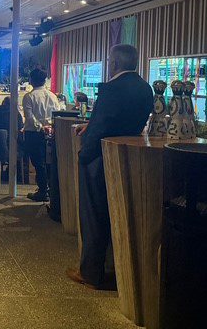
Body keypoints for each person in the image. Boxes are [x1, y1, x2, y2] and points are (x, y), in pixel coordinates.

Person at [67, 44, 153, 289]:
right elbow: (121, 121)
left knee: (93, 216)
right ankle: (115, 269)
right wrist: (91, 125)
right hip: (127, 159)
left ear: (114, 63)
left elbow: (102, 126)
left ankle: (90, 273)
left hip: (99, 160)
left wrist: (84, 155)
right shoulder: (145, 88)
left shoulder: (111, 89)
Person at [22, 68, 61, 202]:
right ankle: (49, 190)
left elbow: (29, 117)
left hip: (34, 134)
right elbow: (57, 113)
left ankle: (42, 191)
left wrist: (40, 127)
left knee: (38, 163)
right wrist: (49, 126)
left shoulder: (29, 97)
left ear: (31, 80)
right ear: (44, 80)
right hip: (51, 132)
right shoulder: (53, 96)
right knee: (49, 162)